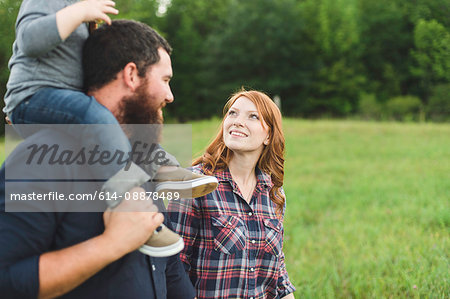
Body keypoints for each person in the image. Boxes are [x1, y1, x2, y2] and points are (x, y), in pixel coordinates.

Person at [0, 20, 198, 298]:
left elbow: (168, 273)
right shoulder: (41, 157)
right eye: (165, 80)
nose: (170, 95)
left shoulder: (140, 158)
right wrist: (111, 244)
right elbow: (6, 281)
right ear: (132, 74)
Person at [168, 89, 296, 299]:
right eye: (232, 113)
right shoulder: (194, 183)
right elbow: (174, 268)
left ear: (269, 136)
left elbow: (278, 276)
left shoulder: (273, 192)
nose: (237, 121)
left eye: (252, 116)